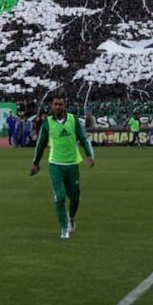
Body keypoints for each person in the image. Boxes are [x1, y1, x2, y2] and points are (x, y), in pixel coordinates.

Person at [30, 96, 95, 239]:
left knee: (75, 198)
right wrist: (36, 162)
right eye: (55, 104)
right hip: (56, 165)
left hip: (72, 164)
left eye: (60, 104)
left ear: (65, 106)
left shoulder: (73, 119)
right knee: (59, 197)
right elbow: (40, 144)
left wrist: (90, 155)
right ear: (52, 106)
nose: (58, 106)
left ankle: (71, 217)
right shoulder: (47, 123)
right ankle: (64, 228)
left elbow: (83, 138)